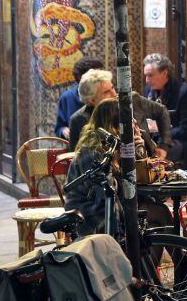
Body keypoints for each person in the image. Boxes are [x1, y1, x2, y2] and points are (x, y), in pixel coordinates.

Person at [64, 98, 172, 237]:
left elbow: (140, 179)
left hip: (115, 207)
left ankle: (150, 258)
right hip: (92, 216)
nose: (135, 126)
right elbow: (106, 196)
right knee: (158, 214)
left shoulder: (118, 148)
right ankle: (182, 259)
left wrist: (139, 150)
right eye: (130, 123)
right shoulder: (94, 153)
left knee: (157, 215)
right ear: (115, 126)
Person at [68, 68, 171, 158]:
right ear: (92, 100)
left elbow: (162, 111)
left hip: (146, 162)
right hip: (106, 171)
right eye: (106, 92)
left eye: (112, 87)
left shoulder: (132, 100)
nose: (114, 93)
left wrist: (164, 145)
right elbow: (76, 156)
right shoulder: (79, 119)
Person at [143, 53, 187, 173]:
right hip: (156, 138)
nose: (147, 81)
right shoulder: (148, 90)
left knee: (159, 152)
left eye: (150, 76)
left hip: (181, 142)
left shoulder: (184, 93)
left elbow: (186, 129)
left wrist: (161, 130)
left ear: (164, 73)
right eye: (146, 76)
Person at [55, 57, 103, 139]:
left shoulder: (104, 95)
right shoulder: (67, 97)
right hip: (75, 148)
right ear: (81, 78)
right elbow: (59, 127)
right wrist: (63, 130)